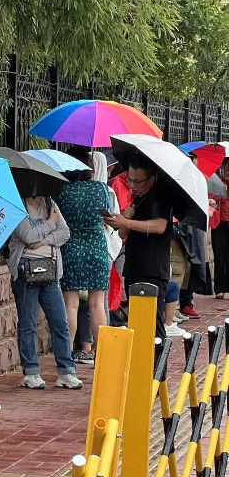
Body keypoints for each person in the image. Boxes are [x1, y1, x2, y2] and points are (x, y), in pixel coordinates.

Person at [7, 196, 83, 390]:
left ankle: (66, 371)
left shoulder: (50, 203)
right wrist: (51, 223)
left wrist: (42, 240)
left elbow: (64, 233)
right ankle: (31, 372)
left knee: (60, 322)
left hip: (50, 272)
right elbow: (28, 235)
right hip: (25, 271)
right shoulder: (17, 205)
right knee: (28, 323)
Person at [104, 155, 174, 340]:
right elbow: (123, 235)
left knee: (153, 325)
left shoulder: (159, 197)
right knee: (137, 323)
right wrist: (124, 221)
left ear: (150, 179)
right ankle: (141, 366)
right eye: (129, 180)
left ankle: (158, 367)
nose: (132, 185)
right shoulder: (137, 199)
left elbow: (160, 226)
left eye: (137, 181)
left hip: (152, 269)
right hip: (134, 267)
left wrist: (128, 221)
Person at [56, 150, 110, 356]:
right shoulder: (101, 189)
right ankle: (102, 354)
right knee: (97, 304)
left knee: (71, 304)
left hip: (70, 248)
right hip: (96, 247)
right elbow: (107, 215)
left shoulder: (62, 190)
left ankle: (67, 355)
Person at [210, 162, 229, 299]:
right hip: (219, 222)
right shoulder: (217, 182)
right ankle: (219, 288)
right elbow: (211, 198)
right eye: (227, 167)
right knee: (219, 254)